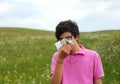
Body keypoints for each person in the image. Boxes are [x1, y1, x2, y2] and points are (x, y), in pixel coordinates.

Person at [51, 20, 104, 84]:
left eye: (68, 38)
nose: (66, 42)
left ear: (76, 37)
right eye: (62, 40)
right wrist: (60, 60)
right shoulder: (57, 56)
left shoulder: (93, 55)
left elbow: (98, 81)